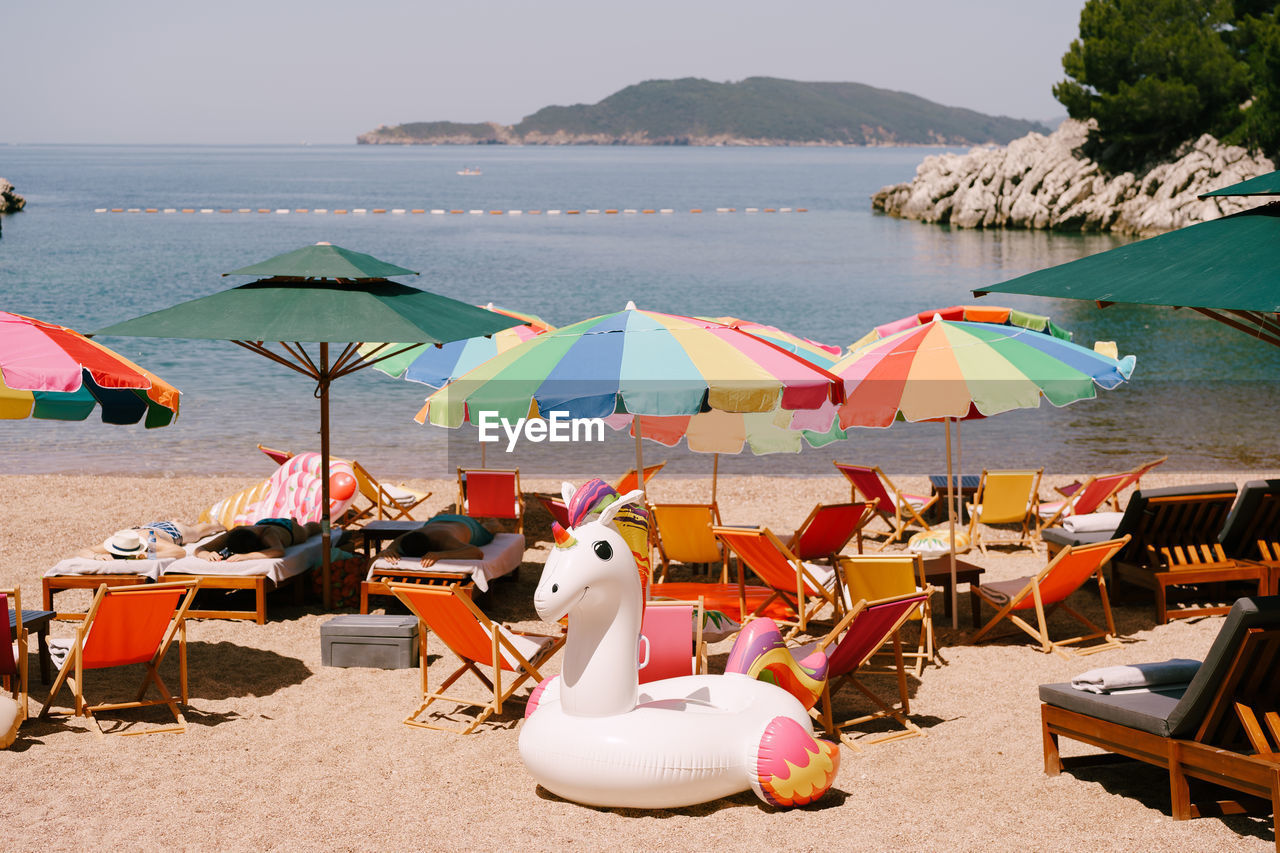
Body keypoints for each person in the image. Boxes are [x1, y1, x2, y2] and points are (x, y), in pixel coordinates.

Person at [375, 514, 497, 567]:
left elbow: (477, 553)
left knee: (489, 530)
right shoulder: (406, 538)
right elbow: (387, 551)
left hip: (466, 524)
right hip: (436, 520)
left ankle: (491, 522)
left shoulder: (445, 541)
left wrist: (441, 555)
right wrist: (387, 551)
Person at [78, 520, 226, 561]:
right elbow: (82, 551)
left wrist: (148, 555)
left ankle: (215, 524)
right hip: (141, 528)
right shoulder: (117, 542)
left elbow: (179, 551)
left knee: (195, 533)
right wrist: (97, 556)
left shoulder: (150, 541)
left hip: (172, 530)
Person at [194, 518, 322, 562]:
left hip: (288, 528)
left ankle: (321, 524)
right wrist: (207, 554)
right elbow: (199, 549)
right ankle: (293, 519)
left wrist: (247, 556)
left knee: (306, 531)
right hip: (263, 523)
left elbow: (279, 551)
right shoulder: (232, 533)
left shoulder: (267, 535)